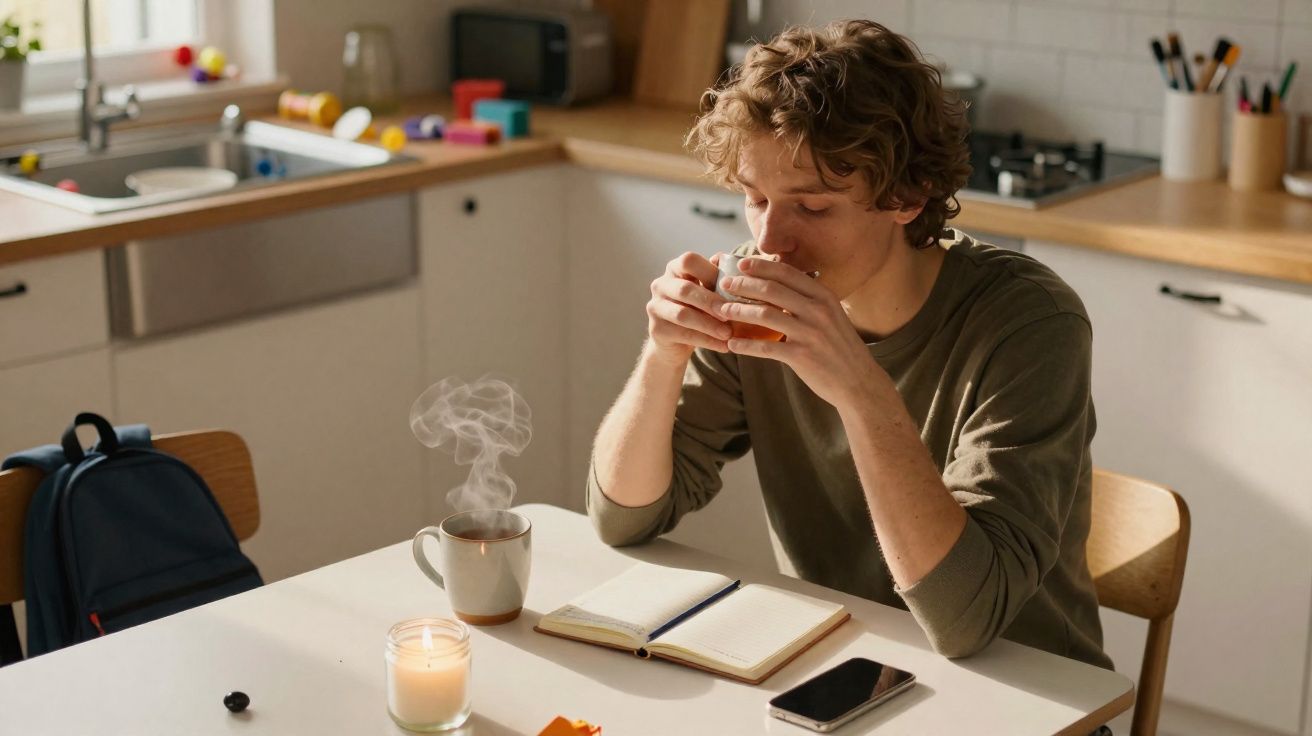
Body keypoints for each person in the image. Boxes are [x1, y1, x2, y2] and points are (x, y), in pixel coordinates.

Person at [585, 19, 1112, 670]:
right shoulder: (762, 300)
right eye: (755, 198)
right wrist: (663, 354)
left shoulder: (1030, 323)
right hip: (844, 669)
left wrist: (860, 391)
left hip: (1030, 696)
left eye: (813, 207)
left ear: (907, 197)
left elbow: (966, 619)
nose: (771, 241)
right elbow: (623, 520)